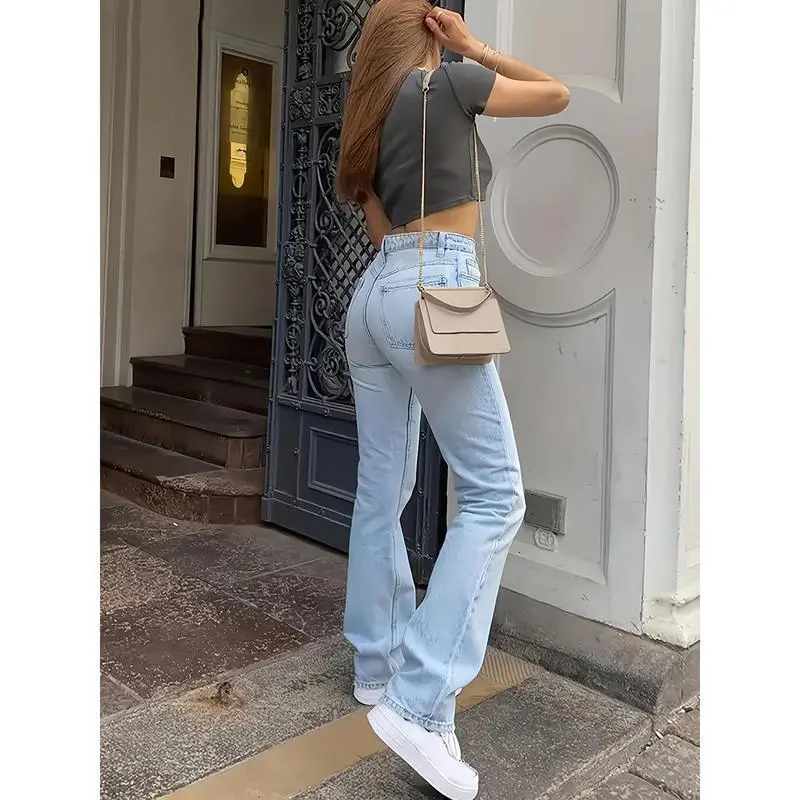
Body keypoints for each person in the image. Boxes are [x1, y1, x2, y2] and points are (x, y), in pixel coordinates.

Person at [336, 2, 570, 798]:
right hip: (436, 280)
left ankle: (377, 666)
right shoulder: (452, 82)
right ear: (431, 34)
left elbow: (380, 236)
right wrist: (477, 46)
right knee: (497, 494)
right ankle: (419, 700)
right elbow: (555, 95)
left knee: (381, 489)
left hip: (374, 295)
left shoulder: (368, 121)